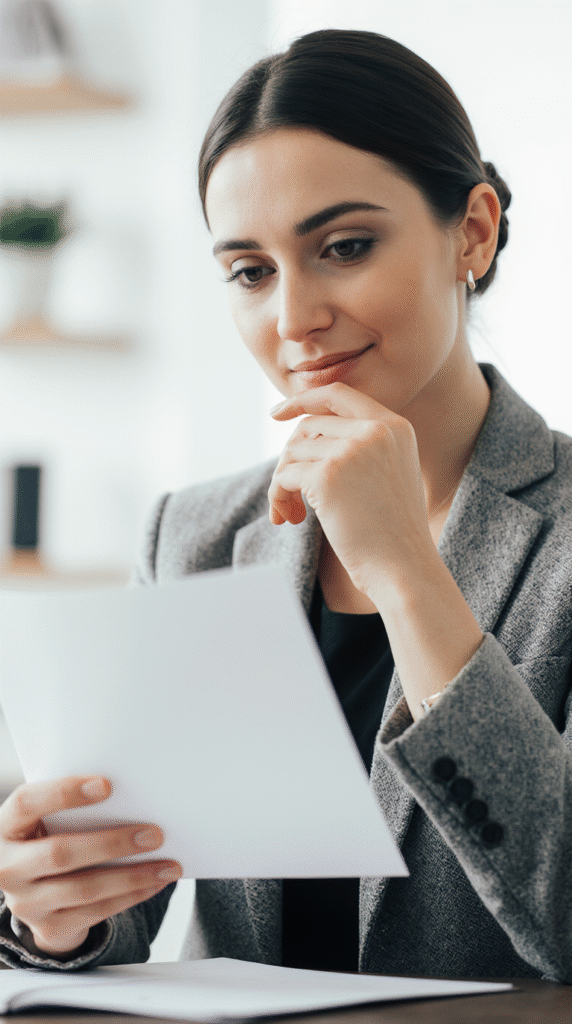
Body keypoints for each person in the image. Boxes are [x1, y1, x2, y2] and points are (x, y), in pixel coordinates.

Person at [1, 28, 571, 981]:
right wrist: (56, 910)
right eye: (250, 271)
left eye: (344, 246)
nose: (294, 317)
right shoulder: (195, 535)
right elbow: (128, 896)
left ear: (472, 230)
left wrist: (404, 570)